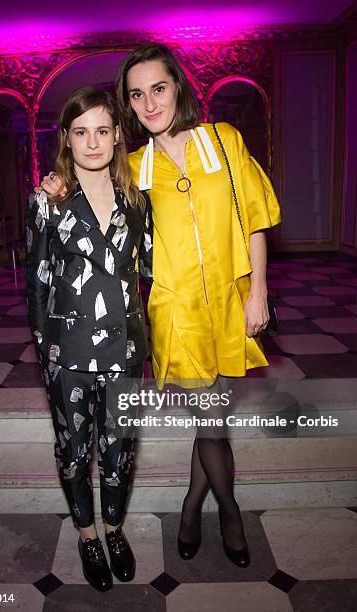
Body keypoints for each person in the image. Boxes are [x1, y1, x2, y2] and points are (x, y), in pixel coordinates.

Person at [41, 44, 281, 568]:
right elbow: (85, 181)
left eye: (158, 88)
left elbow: (256, 217)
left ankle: (192, 504)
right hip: (176, 314)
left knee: (209, 417)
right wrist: (54, 182)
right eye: (136, 94)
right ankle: (228, 509)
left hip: (231, 303)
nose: (149, 102)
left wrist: (258, 291)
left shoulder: (225, 141)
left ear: (179, 88)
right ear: (128, 104)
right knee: (213, 419)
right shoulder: (132, 166)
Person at [26, 86, 152, 591]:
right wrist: (45, 354)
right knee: (74, 450)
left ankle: (116, 530)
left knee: (121, 449)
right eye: (82, 132)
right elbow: (36, 284)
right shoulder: (50, 199)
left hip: (124, 351)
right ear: (67, 139)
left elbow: (156, 271)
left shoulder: (137, 200)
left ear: (118, 135)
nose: (93, 142)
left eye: (103, 130)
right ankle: (87, 535)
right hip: (68, 353)